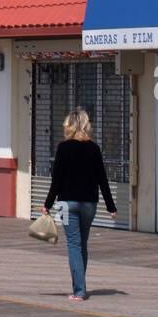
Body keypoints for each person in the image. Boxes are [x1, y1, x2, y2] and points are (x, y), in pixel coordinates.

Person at [41, 109, 117, 301]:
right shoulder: (94, 149)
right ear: (86, 126)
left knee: (74, 245)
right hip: (89, 203)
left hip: (67, 203)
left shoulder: (63, 148)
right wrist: (111, 206)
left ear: (69, 126)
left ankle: (79, 290)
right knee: (82, 244)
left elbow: (56, 179)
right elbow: (102, 179)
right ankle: (80, 286)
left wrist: (47, 204)